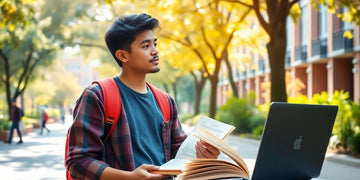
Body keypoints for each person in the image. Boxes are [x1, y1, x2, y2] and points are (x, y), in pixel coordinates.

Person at [65, 13, 220, 180]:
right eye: (146, 46)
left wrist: (202, 157)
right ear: (123, 55)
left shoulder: (166, 101)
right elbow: (78, 161)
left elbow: (178, 155)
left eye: (155, 43)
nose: (155, 51)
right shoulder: (98, 95)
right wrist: (130, 177)